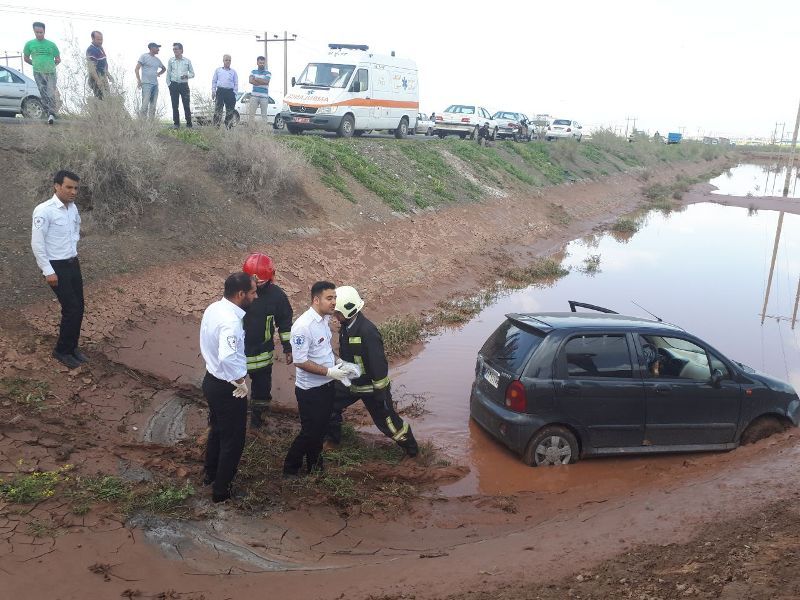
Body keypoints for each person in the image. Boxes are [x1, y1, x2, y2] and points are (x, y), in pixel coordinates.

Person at [325, 286, 419, 457]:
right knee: (328, 404)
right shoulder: (346, 327)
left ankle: (412, 451)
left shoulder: (367, 331)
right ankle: (333, 440)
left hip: (371, 388)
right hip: (351, 383)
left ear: (348, 309)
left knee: (389, 424)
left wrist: (380, 393)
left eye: (337, 312)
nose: (334, 316)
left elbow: (378, 365)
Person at [199, 272, 258, 503]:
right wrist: (241, 380)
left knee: (217, 430)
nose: (255, 297)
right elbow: (228, 355)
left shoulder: (214, 308)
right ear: (240, 294)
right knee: (233, 440)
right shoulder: (231, 322)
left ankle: (210, 475)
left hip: (211, 379)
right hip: (227, 387)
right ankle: (221, 491)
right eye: (252, 292)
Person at [283, 282, 351, 477]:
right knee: (310, 432)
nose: (334, 303)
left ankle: (315, 465)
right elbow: (300, 361)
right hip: (310, 391)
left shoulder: (324, 321)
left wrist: (339, 362)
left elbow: (325, 350)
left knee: (320, 429)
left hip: (326, 386)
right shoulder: (303, 327)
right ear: (316, 300)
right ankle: (290, 468)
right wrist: (329, 372)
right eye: (329, 298)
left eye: (335, 298)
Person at [31, 170, 86, 369]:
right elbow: (37, 244)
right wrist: (48, 270)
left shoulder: (73, 208)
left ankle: (72, 348)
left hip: (72, 263)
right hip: (56, 267)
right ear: (57, 186)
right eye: (69, 187)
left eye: (76, 188)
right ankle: (61, 351)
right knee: (71, 308)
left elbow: (75, 229)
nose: (73, 192)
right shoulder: (44, 210)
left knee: (79, 306)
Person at [241, 252, 293, 428]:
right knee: (229, 392)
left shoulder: (277, 296)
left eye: (260, 282)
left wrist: (288, 348)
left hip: (263, 353)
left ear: (270, 278)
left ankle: (258, 423)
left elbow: (285, 323)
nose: (255, 286)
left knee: (261, 392)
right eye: (252, 282)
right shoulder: (237, 292)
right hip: (238, 353)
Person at [23, 21, 60, 124]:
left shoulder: (51, 45)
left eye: (41, 32)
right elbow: (26, 58)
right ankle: (48, 113)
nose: (39, 34)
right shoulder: (29, 44)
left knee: (50, 92)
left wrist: (52, 65)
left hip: (50, 72)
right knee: (43, 93)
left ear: (44, 31)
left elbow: (58, 59)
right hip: (38, 72)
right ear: (34, 32)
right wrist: (34, 64)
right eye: (37, 32)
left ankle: (52, 113)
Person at [166, 42, 194, 129]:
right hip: (173, 85)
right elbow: (168, 73)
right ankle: (176, 124)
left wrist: (187, 76)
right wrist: (169, 84)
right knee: (175, 105)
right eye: (174, 49)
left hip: (184, 85)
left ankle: (189, 124)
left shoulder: (187, 61)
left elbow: (193, 74)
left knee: (186, 104)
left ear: (181, 50)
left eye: (176, 49)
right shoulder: (171, 60)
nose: (175, 50)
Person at [135, 43, 165, 119]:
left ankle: (151, 124)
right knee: (145, 105)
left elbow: (164, 68)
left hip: (155, 85)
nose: (158, 49)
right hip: (146, 84)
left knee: (153, 105)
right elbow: (137, 69)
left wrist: (158, 73)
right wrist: (139, 81)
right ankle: (142, 123)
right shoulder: (144, 56)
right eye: (157, 48)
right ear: (151, 48)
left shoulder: (157, 60)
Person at [212, 55, 238, 128]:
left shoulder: (233, 72)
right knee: (218, 109)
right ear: (223, 61)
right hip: (220, 91)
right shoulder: (218, 70)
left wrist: (234, 93)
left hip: (230, 92)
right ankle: (216, 126)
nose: (228, 61)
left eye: (229, 60)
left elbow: (236, 83)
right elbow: (214, 81)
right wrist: (213, 91)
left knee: (230, 110)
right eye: (226, 60)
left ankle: (228, 126)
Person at [86, 31, 111, 99]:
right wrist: (98, 81)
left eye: (101, 39)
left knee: (107, 98)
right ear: (93, 39)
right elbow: (91, 68)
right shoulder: (91, 50)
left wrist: (108, 75)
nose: (100, 41)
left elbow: (104, 62)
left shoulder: (100, 48)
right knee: (100, 99)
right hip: (96, 78)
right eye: (98, 40)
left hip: (103, 77)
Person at [247, 56, 271, 125]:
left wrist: (256, 79)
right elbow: (250, 81)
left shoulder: (268, 73)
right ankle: (251, 130)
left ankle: (264, 131)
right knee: (251, 114)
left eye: (263, 63)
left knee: (264, 115)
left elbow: (266, 82)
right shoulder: (253, 71)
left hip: (264, 97)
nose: (262, 64)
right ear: (257, 63)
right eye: (260, 63)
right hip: (254, 96)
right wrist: (261, 81)